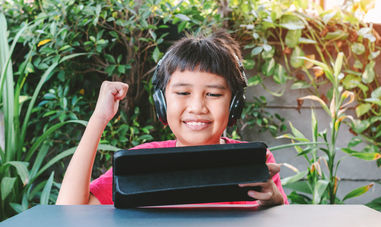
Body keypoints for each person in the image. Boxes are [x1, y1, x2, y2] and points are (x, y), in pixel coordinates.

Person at [56, 30, 288, 206]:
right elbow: (70, 210)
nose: (197, 107)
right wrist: (99, 118)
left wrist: (274, 201)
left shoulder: (252, 163)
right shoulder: (143, 164)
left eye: (214, 94)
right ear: (161, 101)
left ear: (234, 104)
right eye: (183, 93)